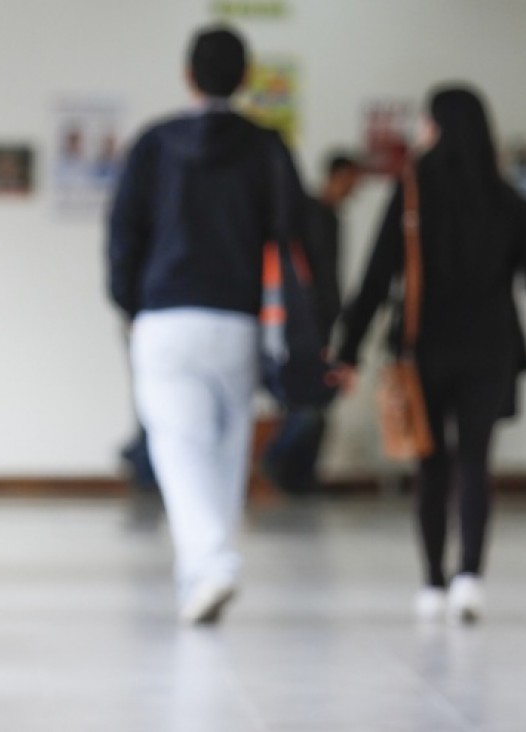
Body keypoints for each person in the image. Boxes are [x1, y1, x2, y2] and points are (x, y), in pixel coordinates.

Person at [107, 23, 307, 624]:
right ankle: (199, 575)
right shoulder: (268, 147)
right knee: (223, 449)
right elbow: (294, 232)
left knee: (179, 448)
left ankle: (213, 564)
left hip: (166, 316)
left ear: (188, 75)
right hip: (240, 321)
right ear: (245, 78)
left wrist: (129, 304)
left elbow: (123, 236)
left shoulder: (153, 145)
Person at [334, 84, 526, 623]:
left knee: (431, 464)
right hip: (491, 349)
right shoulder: (504, 195)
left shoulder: (412, 191)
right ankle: (470, 580)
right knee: (476, 463)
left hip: (424, 348)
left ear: (435, 128)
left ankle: (433, 581)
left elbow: (375, 276)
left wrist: (348, 350)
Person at [261, 153, 361, 496]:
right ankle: (277, 460)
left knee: (318, 400)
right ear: (337, 175)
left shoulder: (331, 218)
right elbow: (304, 277)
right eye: (351, 180)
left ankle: (301, 476)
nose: (355, 188)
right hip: (303, 323)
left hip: (324, 320)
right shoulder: (308, 215)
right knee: (309, 401)